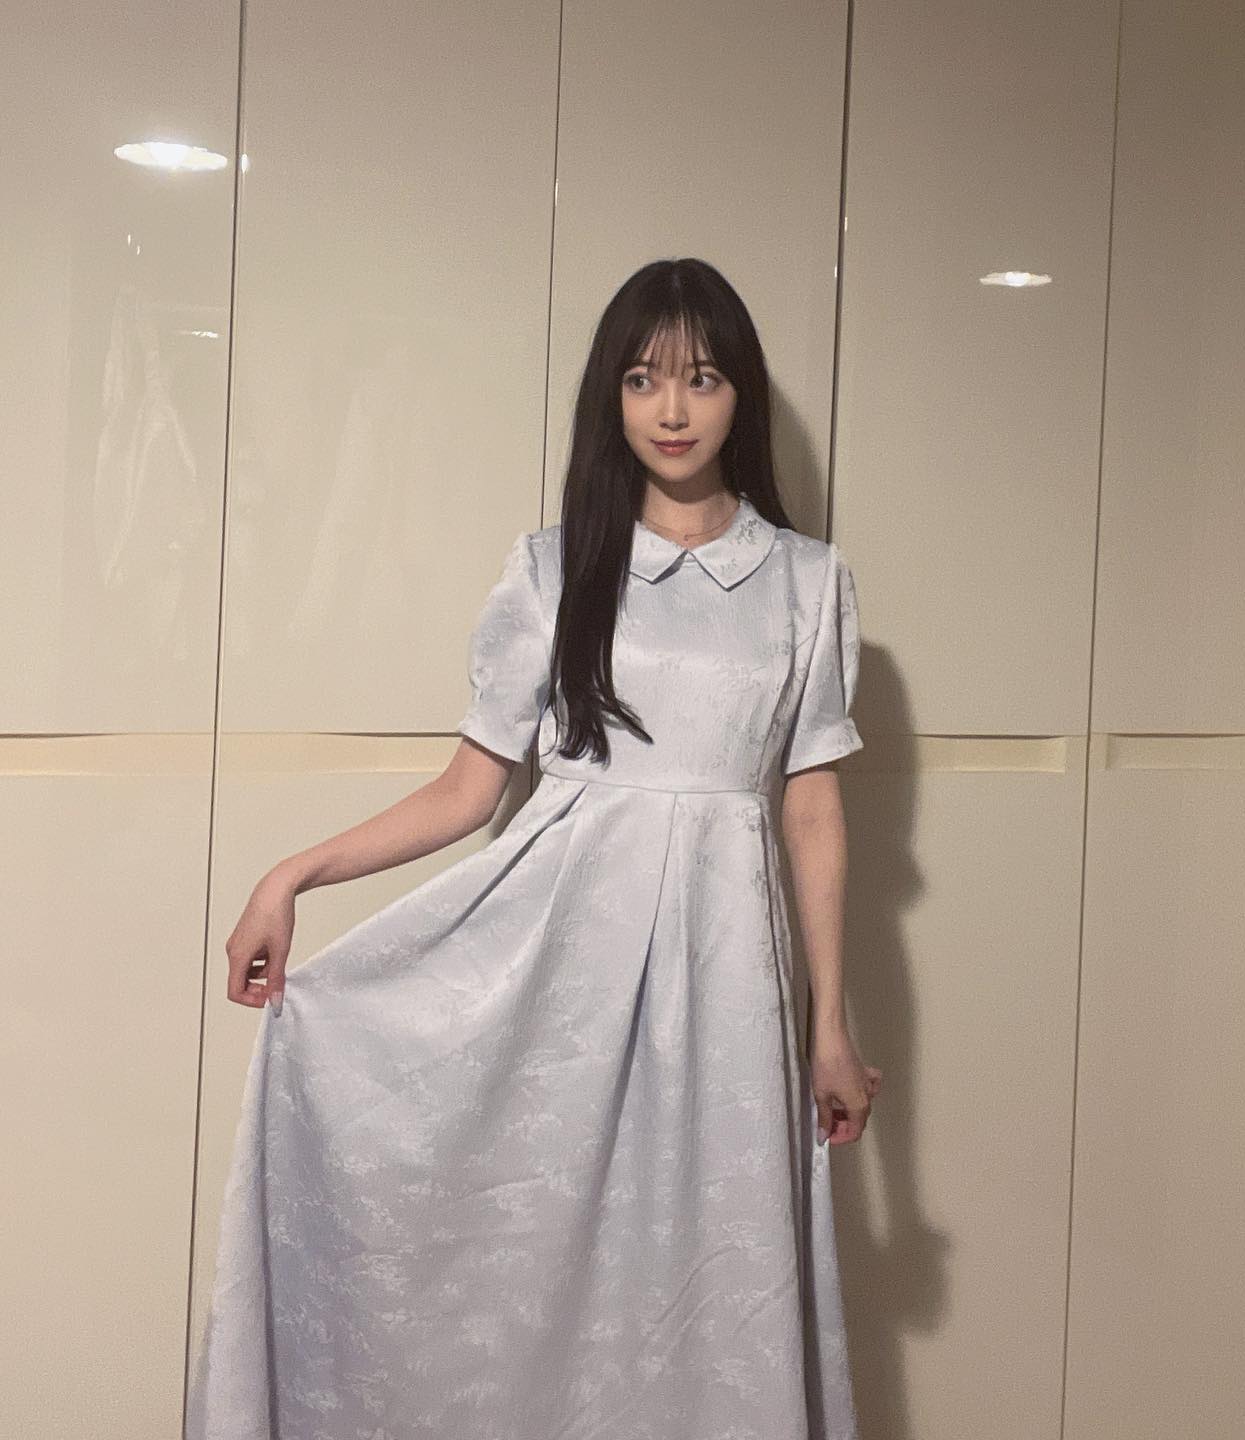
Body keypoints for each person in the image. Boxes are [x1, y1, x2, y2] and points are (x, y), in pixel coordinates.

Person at [186, 256, 883, 1439]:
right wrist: (290, 873)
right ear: (610, 396)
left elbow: (809, 809)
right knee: (539, 1269)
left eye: (702, 378)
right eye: (642, 379)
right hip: (560, 966)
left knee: (709, 1268)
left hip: (725, 979)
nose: (671, 409)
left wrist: (830, 1023)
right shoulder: (556, 570)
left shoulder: (808, 585)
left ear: (742, 395)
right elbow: (471, 789)